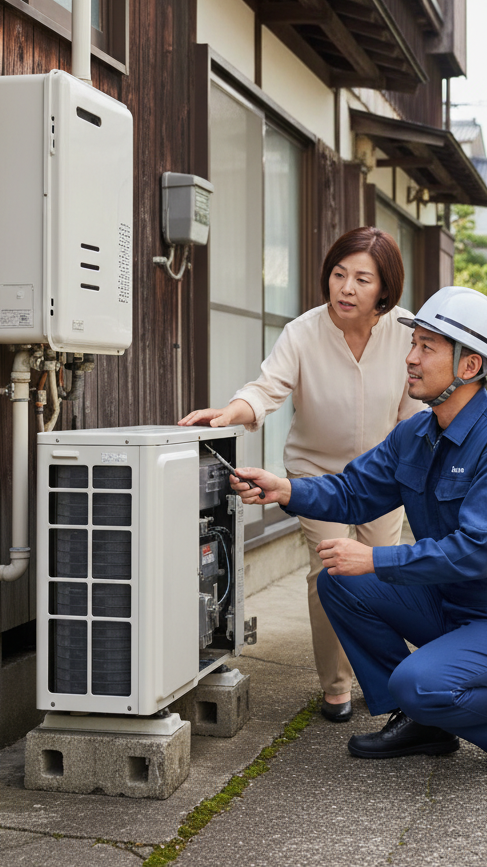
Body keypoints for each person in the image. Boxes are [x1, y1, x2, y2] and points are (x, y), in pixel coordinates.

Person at [226, 286, 487, 777]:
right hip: (451, 605)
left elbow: (476, 552)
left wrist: (376, 558)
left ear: (469, 367)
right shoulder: (417, 434)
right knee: (337, 582)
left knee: (418, 679)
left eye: (427, 347)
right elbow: (352, 492)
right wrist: (285, 490)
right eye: (413, 344)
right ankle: (426, 723)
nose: (410, 358)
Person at [179, 227, 424, 723]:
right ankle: (336, 685)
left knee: (384, 571)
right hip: (315, 474)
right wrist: (233, 411)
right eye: (338, 275)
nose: (346, 288)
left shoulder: (406, 332)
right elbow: (268, 388)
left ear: (385, 287)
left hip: (383, 477)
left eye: (361, 279)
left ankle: (398, 681)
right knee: (332, 569)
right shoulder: (304, 331)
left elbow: (412, 415)